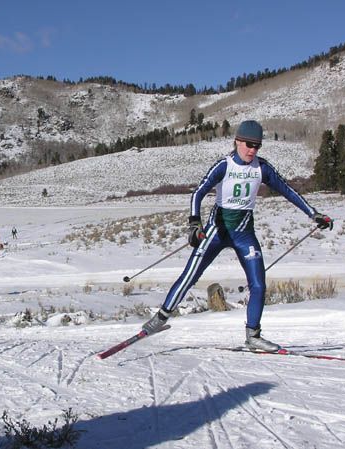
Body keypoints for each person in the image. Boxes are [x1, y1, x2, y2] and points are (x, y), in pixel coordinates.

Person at [142, 120, 334, 352]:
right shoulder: (223, 165)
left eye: (257, 146)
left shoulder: (262, 168)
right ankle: (159, 319)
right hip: (216, 231)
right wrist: (194, 223)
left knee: (259, 284)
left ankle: (253, 335)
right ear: (237, 141)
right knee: (190, 276)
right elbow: (197, 193)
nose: (252, 150)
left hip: (244, 234)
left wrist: (314, 214)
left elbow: (289, 191)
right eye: (248, 144)